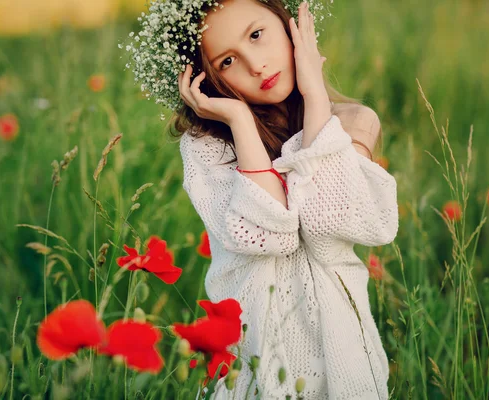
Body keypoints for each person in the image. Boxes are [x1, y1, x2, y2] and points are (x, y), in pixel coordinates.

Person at [124, 0, 399, 397]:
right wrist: (239, 122)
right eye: (227, 62)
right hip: (258, 364)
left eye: (256, 35)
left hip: (343, 357)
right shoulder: (207, 146)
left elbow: (328, 224)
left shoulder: (354, 122)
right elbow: (272, 236)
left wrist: (316, 99)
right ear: (204, 79)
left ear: (290, 23)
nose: (255, 65)